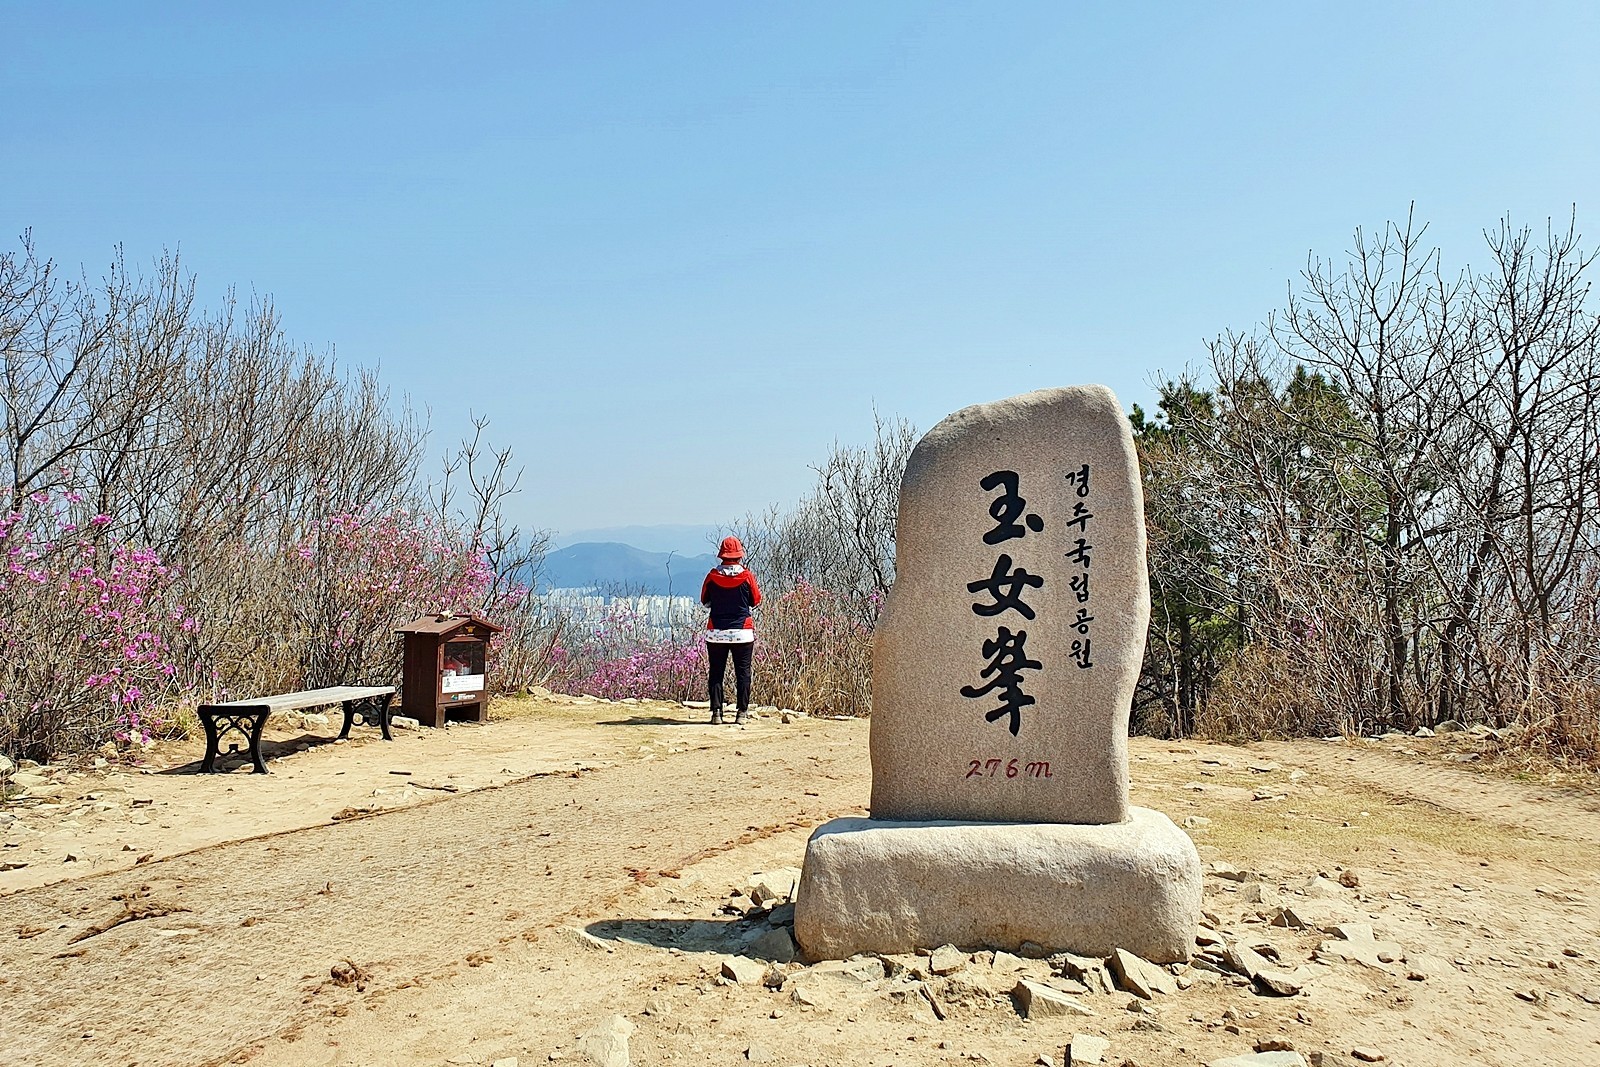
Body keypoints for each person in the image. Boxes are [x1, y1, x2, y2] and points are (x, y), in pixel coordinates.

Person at [700, 536, 762, 724]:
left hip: (716, 631)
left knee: (716, 672)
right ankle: (742, 713)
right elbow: (756, 600)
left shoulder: (712, 576)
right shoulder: (747, 576)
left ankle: (717, 713)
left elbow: (705, 600)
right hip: (742, 632)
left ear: (722, 556)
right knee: (743, 672)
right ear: (739, 556)